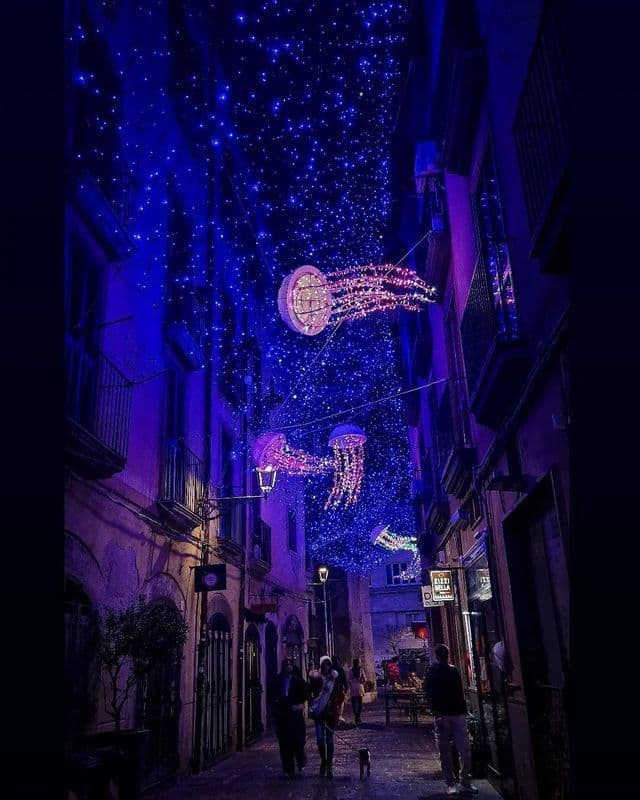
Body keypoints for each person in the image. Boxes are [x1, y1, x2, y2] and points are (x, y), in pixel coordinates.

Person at [424, 644, 478, 796]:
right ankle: (451, 782)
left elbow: (459, 691)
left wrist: (463, 709)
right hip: (443, 714)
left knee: (464, 750)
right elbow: (428, 691)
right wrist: (436, 711)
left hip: (456, 713)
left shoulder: (453, 670)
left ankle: (464, 780)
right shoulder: (433, 671)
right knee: (446, 751)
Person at [271, 658, 307, 778]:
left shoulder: (297, 680)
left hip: (295, 716)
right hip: (283, 716)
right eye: (286, 665)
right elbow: (273, 694)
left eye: (290, 665)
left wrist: (300, 705)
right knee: (284, 744)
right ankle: (287, 768)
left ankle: (300, 761)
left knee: (297, 742)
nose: (288, 667)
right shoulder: (278, 680)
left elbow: (304, 694)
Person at [308, 655, 343, 778]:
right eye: (324, 665)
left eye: (328, 665)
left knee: (329, 740)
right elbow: (310, 692)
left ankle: (329, 765)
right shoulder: (317, 679)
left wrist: (335, 705)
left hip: (330, 713)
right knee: (320, 740)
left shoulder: (334, 679)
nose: (326, 667)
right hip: (319, 713)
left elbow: (340, 694)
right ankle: (323, 759)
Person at [348, 658, 367, 725]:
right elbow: (364, 679)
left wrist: (351, 685)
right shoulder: (361, 670)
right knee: (359, 703)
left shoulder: (350, 670)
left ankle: (355, 715)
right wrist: (362, 682)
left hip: (353, 687)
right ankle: (358, 716)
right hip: (359, 687)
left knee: (353, 703)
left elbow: (349, 680)